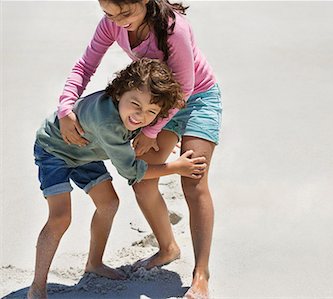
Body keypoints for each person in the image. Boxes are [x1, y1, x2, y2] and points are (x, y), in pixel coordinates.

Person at [58, 0, 222, 297]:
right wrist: (65, 106)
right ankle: (168, 247)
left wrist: (150, 131)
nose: (118, 21)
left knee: (194, 182)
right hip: (155, 105)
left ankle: (201, 274)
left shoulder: (174, 28)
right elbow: (85, 66)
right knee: (142, 183)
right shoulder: (112, 22)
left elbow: (185, 89)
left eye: (125, 13)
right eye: (109, 13)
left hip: (197, 99)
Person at [27, 58, 207, 299]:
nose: (140, 116)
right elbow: (131, 171)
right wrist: (175, 167)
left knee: (109, 204)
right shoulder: (108, 124)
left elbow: (136, 129)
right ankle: (37, 288)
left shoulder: (124, 112)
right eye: (135, 105)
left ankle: (94, 263)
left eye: (151, 112)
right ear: (119, 92)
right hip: (55, 150)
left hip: (86, 152)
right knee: (60, 218)